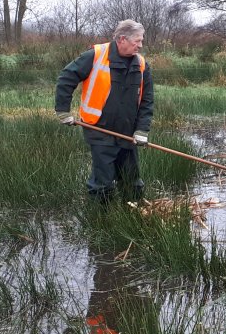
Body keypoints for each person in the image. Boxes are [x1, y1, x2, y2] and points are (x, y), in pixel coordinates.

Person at [55, 20, 153, 202]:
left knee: (133, 183)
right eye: (137, 41)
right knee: (103, 184)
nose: (140, 45)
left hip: (128, 133)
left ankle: (131, 217)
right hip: (99, 130)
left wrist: (142, 130)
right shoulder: (96, 55)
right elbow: (66, 78)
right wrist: (63, 111)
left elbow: (147, 101)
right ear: (122, 39)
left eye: (141, 41)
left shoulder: (141, 64)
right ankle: (100, 222)